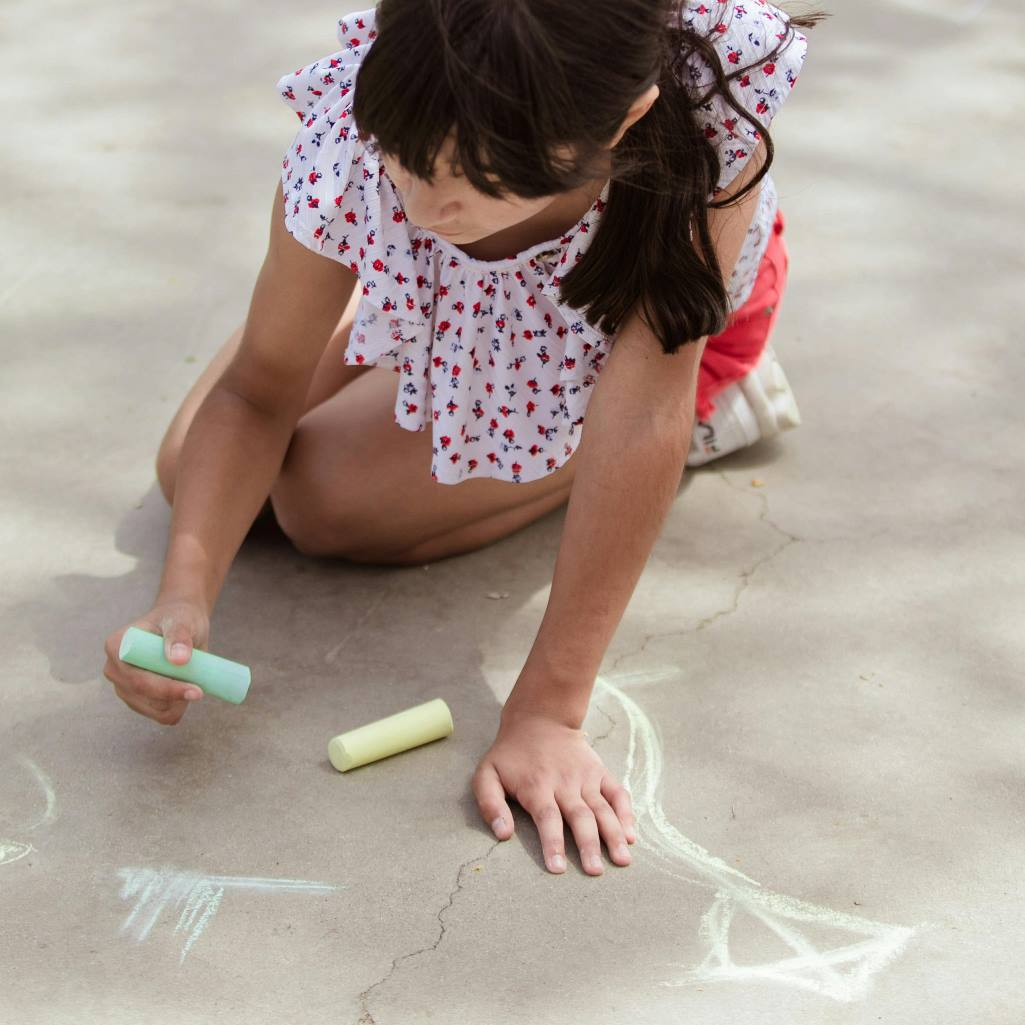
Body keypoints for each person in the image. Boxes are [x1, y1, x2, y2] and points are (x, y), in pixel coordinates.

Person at [103, 0, 828, 878]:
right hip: (465, 300)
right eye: (405, 160)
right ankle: (435, 346)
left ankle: (727, 404)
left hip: (640, 350)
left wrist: (549, 712)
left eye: (480, 179)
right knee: (192, 470)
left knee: (323, 502)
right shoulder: (381, 127)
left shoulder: (692, 146)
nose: (423, 203)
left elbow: (638, 416)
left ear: (625, 117)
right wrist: (183, 597)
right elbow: (256, 388)